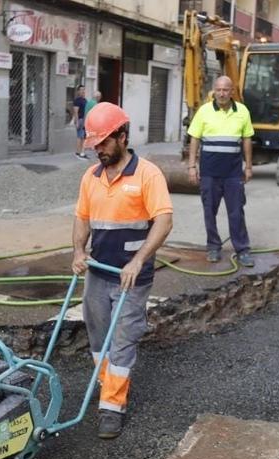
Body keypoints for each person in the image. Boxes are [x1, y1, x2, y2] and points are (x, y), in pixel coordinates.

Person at [71, 102, 173, 439]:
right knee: (99, 339)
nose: (98, 150)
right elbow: (82, 218)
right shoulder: (91, 177)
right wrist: (77, 251)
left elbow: (164, 220)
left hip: (132, 278)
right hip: (98, 273)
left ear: (122, 136)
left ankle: (111, 407)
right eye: (94, 145)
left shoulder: (147, 174)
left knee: (123, 340)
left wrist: (139, 259)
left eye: (103, 143)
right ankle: (108, 387)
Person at [186, 75, 256, 267]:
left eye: (226, 90)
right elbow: (194, 138)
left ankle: (242, 250)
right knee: (209, 211)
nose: (222, 93)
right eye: (218, 90)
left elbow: (247, 139)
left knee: (236, 212)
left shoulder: (242, 111)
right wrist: (192, 166)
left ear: (232, 91)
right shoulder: (204, 111)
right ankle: (213, 247)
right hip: (209, 172)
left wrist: (248, 166)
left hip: (233, 173)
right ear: (213, 91)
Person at [73, 85, 88, 160]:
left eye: (84, 90)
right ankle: (77, 153)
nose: (83, 91)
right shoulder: (77, 100)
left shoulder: (85, 100)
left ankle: (82, 152)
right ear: (78, 91)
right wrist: (77, 122)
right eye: (81, 90)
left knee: (83, 137)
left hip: (84, 120)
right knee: (80, 136)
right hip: (80, 120)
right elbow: (76, 111)